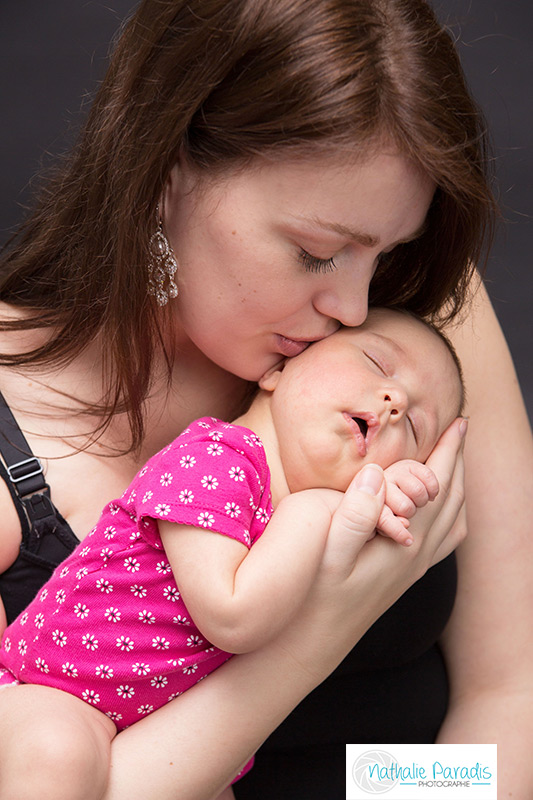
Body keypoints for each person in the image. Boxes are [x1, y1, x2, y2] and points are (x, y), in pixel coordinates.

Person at [0, 1, 530, 799]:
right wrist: (316, 634)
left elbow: (510, 696)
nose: (353, 306)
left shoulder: (407, 332)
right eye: (315, 253)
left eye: (384, 251)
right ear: (164, 172)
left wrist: (404, 790)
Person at [0, 307, 464, 798]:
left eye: (414, 426)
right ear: (278, 371)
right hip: (50, 691)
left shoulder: (308, 526)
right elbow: (232, 615)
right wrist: (321, 510)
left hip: (175, 732)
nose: (395, 401)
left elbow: (501, 708)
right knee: (56, 752)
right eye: (375, 362)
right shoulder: (217, 456)